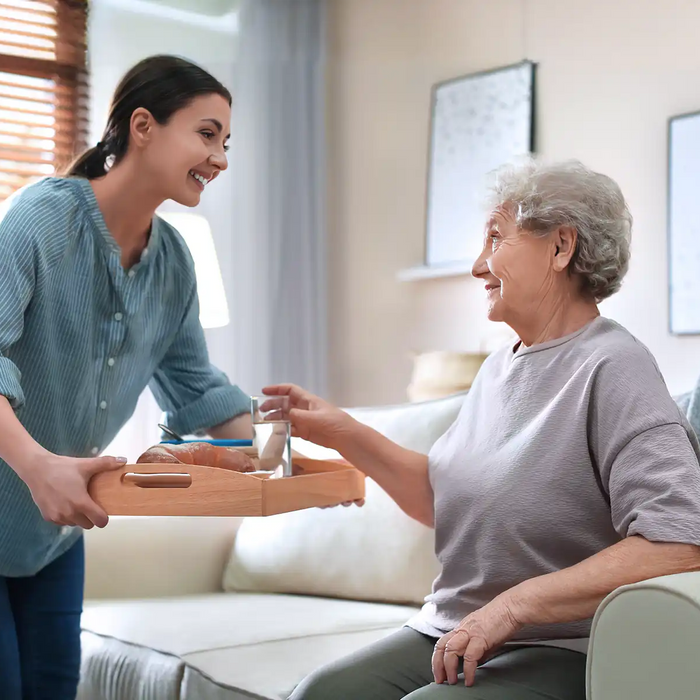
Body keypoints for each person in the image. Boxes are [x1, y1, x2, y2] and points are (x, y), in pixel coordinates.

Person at [266, 159, 700, 699]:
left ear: (561, 247)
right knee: (321, 694)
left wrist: (514, 607)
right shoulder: (499, 368)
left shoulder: (613, 367)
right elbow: (443, 500)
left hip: (562, 645)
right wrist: (344, 432)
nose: (477, 266)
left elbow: (679, 542)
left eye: (496, 237)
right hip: (451, 632)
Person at [0, 55, 253, 699]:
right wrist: (38, 466)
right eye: (206, 134)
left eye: (226, 142)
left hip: (54, 538)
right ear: (143, 125)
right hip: (22, 498)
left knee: (55, 689)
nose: (220, 157)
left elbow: (198, 391)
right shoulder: (39, 219)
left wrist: (293, 454)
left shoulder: (174, 261)